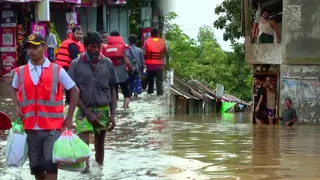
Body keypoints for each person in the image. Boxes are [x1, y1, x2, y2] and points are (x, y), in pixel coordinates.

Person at [10, 33, 79, 180]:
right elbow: (13, 88)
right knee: (37, 169)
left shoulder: (57, 70)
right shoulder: (21, 71)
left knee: (51, 167)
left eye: (35, 47)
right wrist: (16, 106)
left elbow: (74, 90)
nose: (31, 51)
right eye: (28, 47)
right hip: (30, 128)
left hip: (52, 129)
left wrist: (69, 117)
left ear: (45, 48)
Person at [68, 31, 118, 172]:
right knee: (83, 145)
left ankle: (99, 172)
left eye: (98, 47)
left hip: (103, 110)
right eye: (92, 47)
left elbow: (113, 89)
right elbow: (73, 92)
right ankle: (86, 172)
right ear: (85, 47)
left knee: (99, 145)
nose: (95, 50)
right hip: (84, 111)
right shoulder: (76, 64)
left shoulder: (108, 64)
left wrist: (113, 114)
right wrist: (88, 113)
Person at [101, 30, 133, 109]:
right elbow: (126, 61)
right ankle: (125, 108)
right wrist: (131, 68)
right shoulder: (123, 46)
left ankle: (114, 109)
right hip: (122, 72)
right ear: (119, 37)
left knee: (113, 92)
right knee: (126, 92)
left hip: (110, 72)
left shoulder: (105, 47)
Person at [55, 26, 84, 105]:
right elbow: (75, 60)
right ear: (72, 34)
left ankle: (68, 101)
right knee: (72, 85)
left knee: (68, 86)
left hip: (62, 68)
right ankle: (71, 102)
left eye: (81, 34)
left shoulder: (69, 42)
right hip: (67, 68)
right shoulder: (73, 45)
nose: (80, 36)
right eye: (77, 34)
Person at [143, 28, 169, 96]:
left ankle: (150, 93)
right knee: (159, 82)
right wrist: (167, 63)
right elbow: (166, 53)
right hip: (159, 66)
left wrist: (144, 64)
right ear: (158, 34)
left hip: (150, 65)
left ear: (151, 34)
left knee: (150, 83)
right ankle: (160, 94)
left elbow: (144, 54)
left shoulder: (147, 41)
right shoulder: (162, 42)